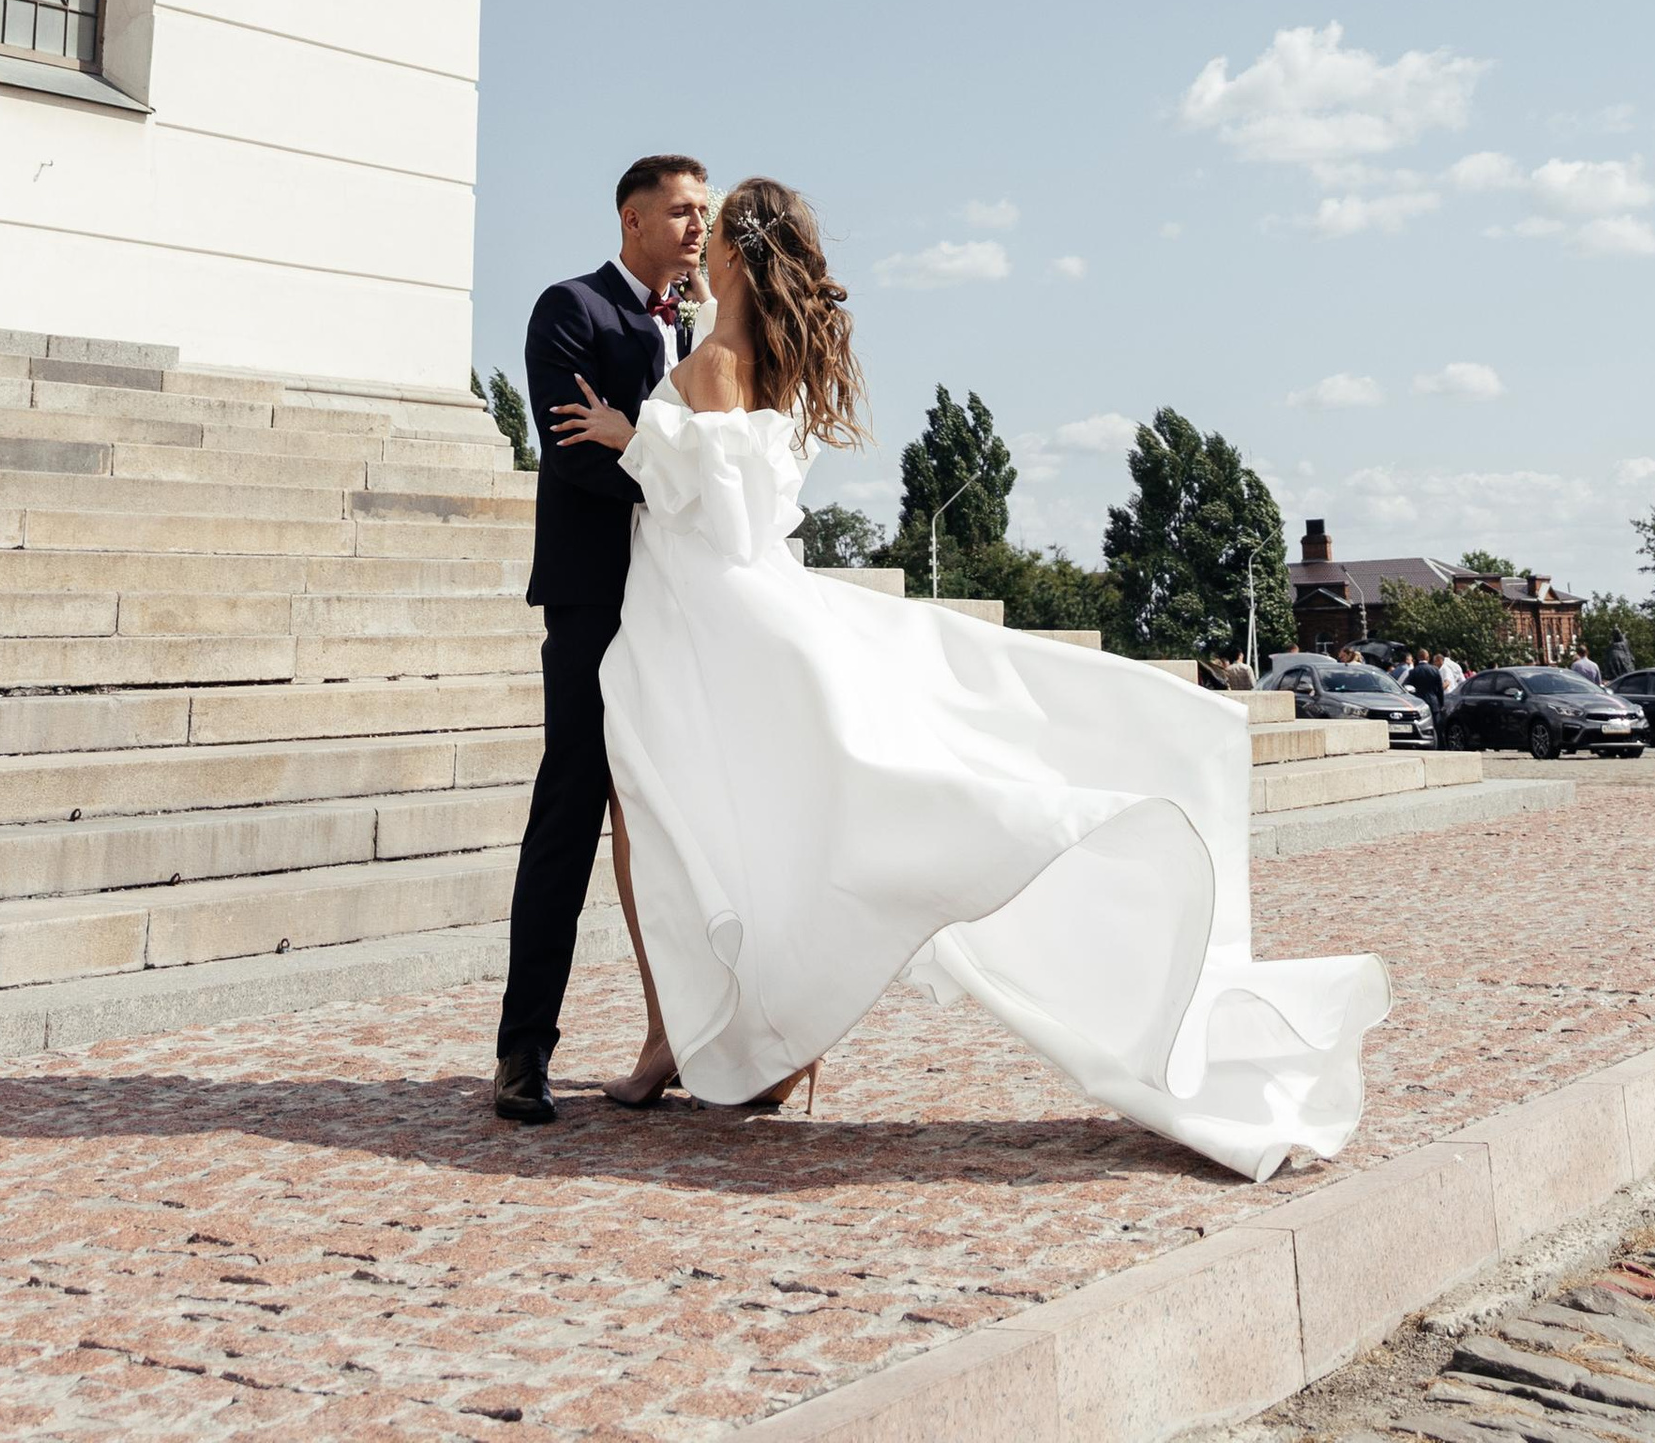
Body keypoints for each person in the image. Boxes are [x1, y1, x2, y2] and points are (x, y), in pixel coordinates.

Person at [549, 171, 1389, 1172]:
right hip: (698, 614)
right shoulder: (743, 357)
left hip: (711, 620)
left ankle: (713, 1040)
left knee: (707, 825)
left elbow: (729, 520)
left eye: (712, 226)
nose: (700, 239)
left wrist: (635, 435)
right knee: (727, 829)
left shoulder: (725, 359)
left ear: (734, 252)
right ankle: (744, 1038)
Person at [493, 154, 711, 1126]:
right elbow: (577, 452)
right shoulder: (570, 309)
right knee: (569, 816)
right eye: (680, 211)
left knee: (674, 823)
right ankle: (522, 1053)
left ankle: (685, 1036)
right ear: (632, 220)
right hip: (594, 603)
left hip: (680, 604)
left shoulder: (696, 327)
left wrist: (676, 473)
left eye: (704, 210)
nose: (698, 226)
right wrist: (677, 484)